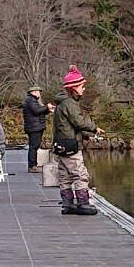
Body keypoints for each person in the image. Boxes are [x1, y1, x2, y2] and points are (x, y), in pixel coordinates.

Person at [51, 65, 103, 216]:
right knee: (80, 174)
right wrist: (94, 128)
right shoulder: (69, 104)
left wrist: (86, 135)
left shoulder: (62, 102)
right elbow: (79, 122)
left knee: (65, 175)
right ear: (73, 88)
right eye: (81, 86)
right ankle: (83, 203)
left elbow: (70, 125)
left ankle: (67, 204)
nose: (83, 89)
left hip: (61, 144)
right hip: (71, 145)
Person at [22, 85, 52, 172]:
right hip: (34, 127)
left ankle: (33, 165)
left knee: (34, 146)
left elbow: (39, 111)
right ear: (34, 92)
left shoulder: (32, 100)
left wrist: (47, 110)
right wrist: (47, 107)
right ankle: (32, 166)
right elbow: (36, 111)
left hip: (35, 126)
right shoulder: (31, 100)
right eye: (38, 92)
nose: (39, 94)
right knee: (34, 147)